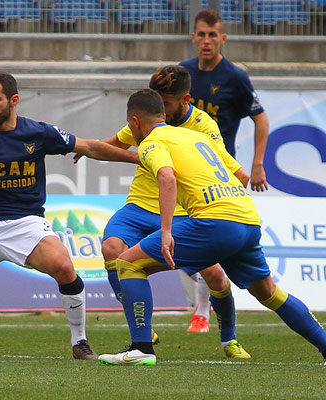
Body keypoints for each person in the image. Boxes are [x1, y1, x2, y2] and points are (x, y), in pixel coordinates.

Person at [0, 71, 140, 359]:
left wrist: (139, 158)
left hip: (26, 224)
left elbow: (90, 146)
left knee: (64, 267)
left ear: (13, 100)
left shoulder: (38, 133)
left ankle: (79, 342)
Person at [98, 89, 326, 366]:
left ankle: (142, 348)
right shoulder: (196, 136)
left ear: (135, 122)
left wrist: (167, 232)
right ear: (164, 115)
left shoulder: (151, 143)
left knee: (127, 263)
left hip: (213, 222)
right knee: (269, 292)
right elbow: (239, 173)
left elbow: (167, 177)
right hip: (247, 218)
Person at [84, 65, 250, 358]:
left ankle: (229, 338)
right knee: (112, 248)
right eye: (157, 101)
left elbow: (222, 168)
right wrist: (85, 147)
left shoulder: (204, 126)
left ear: (185, 99)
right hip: (139, 206)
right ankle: (142, 332)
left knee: (214, 275)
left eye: (166, 102)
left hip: (184, 210)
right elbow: (113, 144)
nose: (160, 107)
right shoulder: (148, 121)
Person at [181, 8, 270, 332]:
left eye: (212, 35)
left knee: (208, 237)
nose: (206, 41)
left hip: (219, 174)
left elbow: (260, 118)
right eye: (201, 35)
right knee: (186, 238)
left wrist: (256, 164)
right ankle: (207, 302)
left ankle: (202, 312)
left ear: (222, 38)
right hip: (183, 171)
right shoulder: (183, 73)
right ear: (193, 37)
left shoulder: (235, 76)